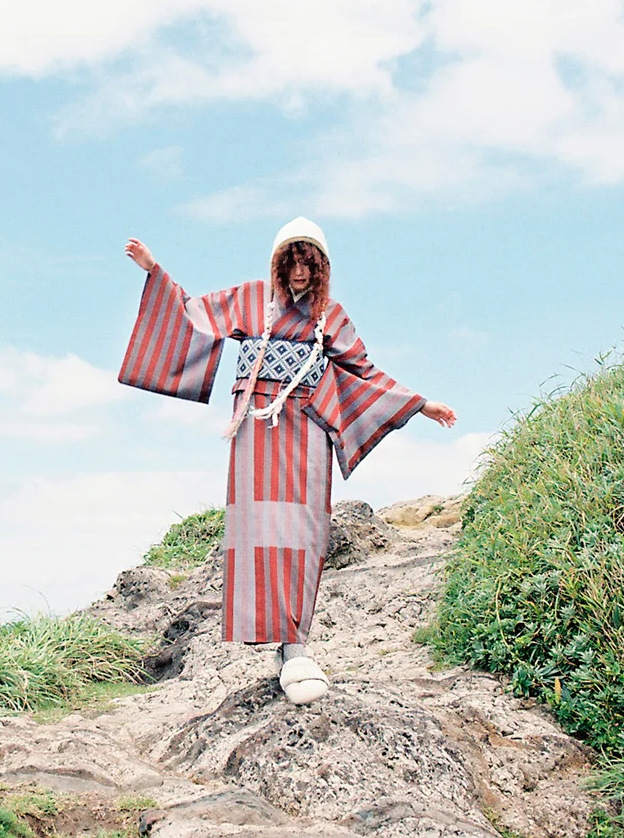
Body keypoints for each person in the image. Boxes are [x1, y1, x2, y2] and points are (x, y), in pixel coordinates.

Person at [120, 217, 457, 704]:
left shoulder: (330, 316)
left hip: (307, 424)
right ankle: (274, 640)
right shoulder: (252, 299)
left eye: (309, 264)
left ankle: (296, 644)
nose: (300, 272)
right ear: (279, 263)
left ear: (321, 269)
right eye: (292, 262)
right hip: (255, 424)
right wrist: (155, 270)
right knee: (256, 526)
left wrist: (420, 404)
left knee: (304, 528)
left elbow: (365, 372)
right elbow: (194, 315)